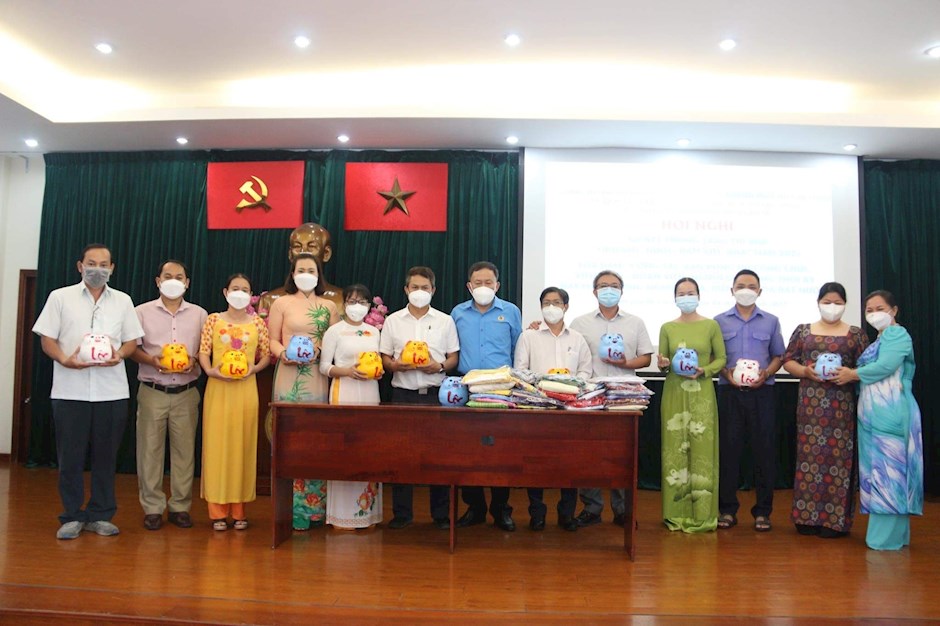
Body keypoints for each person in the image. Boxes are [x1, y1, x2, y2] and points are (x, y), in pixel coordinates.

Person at [33, 243, 145, 540]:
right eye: (92, 263)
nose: (98, 269)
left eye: (104, 264)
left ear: (112, 268)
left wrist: (120, 355)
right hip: (70, 391)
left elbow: (131, 341)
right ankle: (71, 515)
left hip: (111, 392)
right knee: (70, 457)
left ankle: (100, 514)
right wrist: (64, 359)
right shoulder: (60, 297)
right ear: (80, 266)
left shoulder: (122, 301)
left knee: (105, 457)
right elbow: (47, 339)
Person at [831, 290, 923, 550]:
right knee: (880, 472)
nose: (873, 314)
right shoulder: (879, 340)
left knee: (890, 473)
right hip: (874, 414)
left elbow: (886, 366)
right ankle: (895, 536)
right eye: (869, 310)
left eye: (879, 308)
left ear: (894, 310)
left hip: (891, 411)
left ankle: (885, 539)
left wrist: (852, 374)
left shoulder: (896, 334)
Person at [781, 282, 868, 538]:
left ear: (845, 304)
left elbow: (867, 366)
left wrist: (850, 374)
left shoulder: (856, 334)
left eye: (837, 302)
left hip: (841, 407)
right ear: (818, 303)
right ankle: (806, 517)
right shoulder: (804, 331)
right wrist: (805, 371)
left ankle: (834, 521)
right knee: (809, 458)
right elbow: (788, 361)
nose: (832, 307)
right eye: (827, 302)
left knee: (839, 460)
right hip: (810, 407)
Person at [569, 269, 653, 527]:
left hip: (625, 395)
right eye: (603, 285)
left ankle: (623, 510)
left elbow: (646, 358)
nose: (609, 289)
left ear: (621, 291)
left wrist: (626, 363)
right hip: (591, 394)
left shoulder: (635, 322)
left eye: (614, 285)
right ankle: (592, 508)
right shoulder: (579, 323)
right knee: (589, 454)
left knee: (623, 455)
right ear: (594, 291)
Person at [380, 266, 459, 530]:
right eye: (415, 287)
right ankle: (402, 514)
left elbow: (453, 357)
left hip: (436, 395)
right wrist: (395, 366)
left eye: (425, 288)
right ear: (406, 289)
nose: (419, 292)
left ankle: (441, 514)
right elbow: (384, 357)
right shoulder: (393, 320)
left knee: (439, 456)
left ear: (433, 290)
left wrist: (439, 366)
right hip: (402, 394)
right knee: (401, 455)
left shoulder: (445, 321)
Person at [131, 259, 208, 531]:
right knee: (149, 452)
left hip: (186, 392)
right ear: (158, 281)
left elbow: (206, 351)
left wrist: (194, 360)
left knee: (184, 452)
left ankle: (180, 507)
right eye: (168, 276)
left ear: (187, 282)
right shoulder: (141, 312)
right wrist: (152, 361)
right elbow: (132, 348)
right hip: (153, 390)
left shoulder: (200, 315)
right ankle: (152, 507)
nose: (173, 280)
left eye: (179, 276)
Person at [267, 253, 340, 530]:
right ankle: (290, 509)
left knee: (316, 438)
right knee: (288, 439)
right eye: (301, 270)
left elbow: (333, 341)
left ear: (319, 274)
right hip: (288, 375)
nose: (306, 274)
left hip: (316, 376)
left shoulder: (329, 306)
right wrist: (283, 354)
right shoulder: (281, 303)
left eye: (311, 270)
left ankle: (315, 509)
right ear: (293, 273)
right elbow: (272, 339)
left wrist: (318, 352)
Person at [451, 261, 522, 531]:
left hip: (501, 389)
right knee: (467, 451)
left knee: (501, 452)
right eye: (478, 283)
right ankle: (475, 507)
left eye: (488, 282)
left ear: (497, 285)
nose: (483, 287)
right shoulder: (458, 313)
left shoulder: (510, 312)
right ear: (469, 286)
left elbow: (517, 349)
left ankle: (501, 509)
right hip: (466, 387)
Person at [514, 287, 592, 532]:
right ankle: (537, 514)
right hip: (538, 407)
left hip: (569, 409)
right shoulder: (529, 336)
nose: (551, 307)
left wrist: (570, 386)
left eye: (556, 302)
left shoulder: (577, 338)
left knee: (569, 463)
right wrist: (545, 384)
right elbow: (520, 370)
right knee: (535, 463)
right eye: (546, 302)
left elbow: (586, 371)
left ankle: (566, 514)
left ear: (565, 306)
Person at [714, 269, 786, 532]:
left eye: (752, 286)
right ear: (732, 290)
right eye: (741, 285)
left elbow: (779, 355)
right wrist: (727, 374)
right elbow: (714, 356)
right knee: (728, 452)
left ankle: (763, 512)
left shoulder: (771, 321)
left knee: (764, 452)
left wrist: (766, 373)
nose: (746, 290)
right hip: (729, 393)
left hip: (762, 394)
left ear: (760, 291)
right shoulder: (718, 322)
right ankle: (727, 510)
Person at [198, 273, 270, 530]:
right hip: (218, 388)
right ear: (225, 292)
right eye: (235, 288)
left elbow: (266, 355)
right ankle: (217, 512)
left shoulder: (258, 323)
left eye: (245, 289)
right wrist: (210, 371)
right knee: (217, 446)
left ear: (250, 295)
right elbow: (203, 351)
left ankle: (239, 511)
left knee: (243, 446)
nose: (240, 293)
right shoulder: (213, 320)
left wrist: (254, 369)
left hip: (245, 389)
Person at [656, 277, 726, 533]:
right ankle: (675, 514)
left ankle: (703, 515)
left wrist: (704, 370)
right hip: (674, 392)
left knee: (702, 451)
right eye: (681, 293)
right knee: (674, 451)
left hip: (701, 393)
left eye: (690, 292)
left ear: (699, 296)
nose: (686, 297)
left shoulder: (711, 326)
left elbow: (722, 359)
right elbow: (662, 364)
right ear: (675, 298)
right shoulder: (667, 327)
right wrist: (663, 364)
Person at [319, 284, 384, 529]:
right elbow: (324, 366)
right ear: (344, 304)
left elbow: (378, 360)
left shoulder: (374, 331)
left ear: (369, 306)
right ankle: (341, 516)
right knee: (344, 448)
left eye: (363, 301)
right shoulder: (335, 331)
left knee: (370, 448)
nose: (357, 306)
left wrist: (378, 372)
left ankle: (367, 515)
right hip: (343, 391)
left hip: (370, 393)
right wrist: (347, 371)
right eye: (352, 301)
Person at [258, 223, 344, 316]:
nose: (304, 252)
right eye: (297, 247)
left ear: (326, 253)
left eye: (311, 247)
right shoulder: (269, 300)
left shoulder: (342, 300)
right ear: (290, 254)